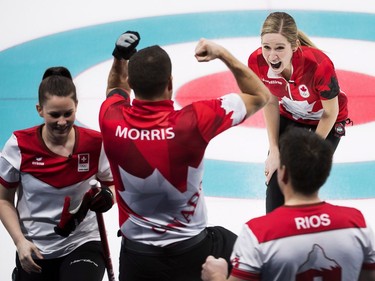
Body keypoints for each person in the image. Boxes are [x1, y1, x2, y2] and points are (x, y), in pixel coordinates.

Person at [98, 31, 271, 281]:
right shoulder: (194, 120)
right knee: (252, 258)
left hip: (137, 259)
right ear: (170, 82)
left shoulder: (111, 119)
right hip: (193, 252)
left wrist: (120, 56)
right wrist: (222, 54)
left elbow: (115, 87)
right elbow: (259, 96)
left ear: (132, 85)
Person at [201, 127, 375, 281]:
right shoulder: (356, 223)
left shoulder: (258, 233)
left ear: (282, 174)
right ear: (325, 173)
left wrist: (216, 275)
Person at [0, 66, 115, 281]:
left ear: (76, 107)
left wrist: (109, 196)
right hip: (35, 248)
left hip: (83, 242)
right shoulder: (18, 146)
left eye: (68, 113)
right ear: (39, 110)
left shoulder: (95, 143)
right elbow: (3, 200)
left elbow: (112, 185)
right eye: (54, 115)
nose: (62, 122)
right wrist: (19, 242)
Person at [248, 11, 351, 213]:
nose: (271, 56)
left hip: (326, 121)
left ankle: (304, 234)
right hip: (291, 115)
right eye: (266, 47)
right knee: (276, 180)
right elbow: (270, 102)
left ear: (294, 46)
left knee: (302, 180)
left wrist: (308, 151)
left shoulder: (319, 66)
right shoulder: (256, 62)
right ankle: (276, 236)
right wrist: (274, 150)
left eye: (279, 48)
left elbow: (330, 113)